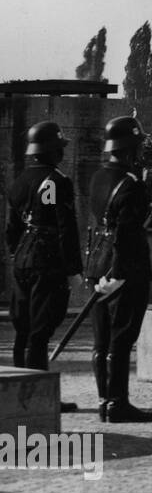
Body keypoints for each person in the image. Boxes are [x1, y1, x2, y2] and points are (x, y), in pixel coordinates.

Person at [6, 121, 82, 407]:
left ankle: (17, 394)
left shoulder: (20, 180)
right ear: (51, 151)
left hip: (23, 258)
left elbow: (11, 230)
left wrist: (20, 253)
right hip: (47, 260)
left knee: (23, 328)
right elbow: (66, 227)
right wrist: (73, 268)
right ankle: (38, 399)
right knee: (40, 331)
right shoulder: (57, 181)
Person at [85, 116, 152, 423]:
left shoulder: (98, 177)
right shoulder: (132, 183)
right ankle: (118, 403)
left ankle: (105, 401)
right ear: (130, 147)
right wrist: (120, 275)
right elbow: (127, 234)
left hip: (97, 262)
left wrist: (149, 214)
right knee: (122, 337)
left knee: (101, 338)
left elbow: (110, 221)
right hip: (123, 267)